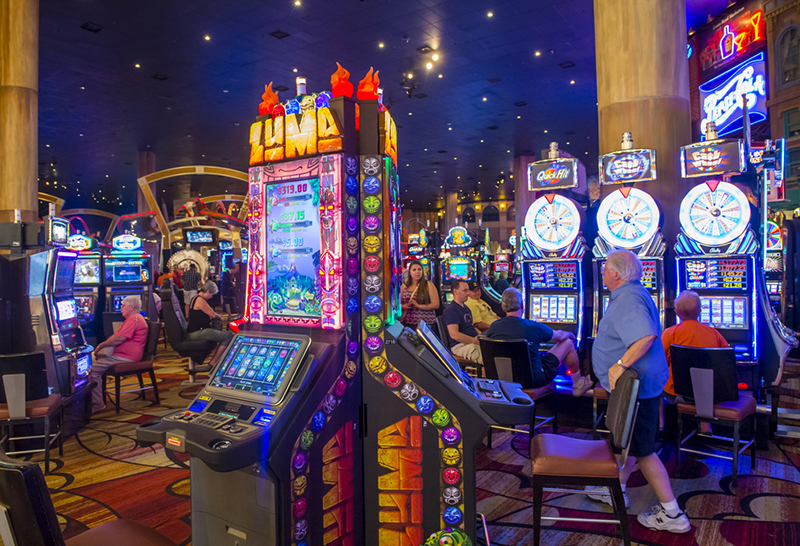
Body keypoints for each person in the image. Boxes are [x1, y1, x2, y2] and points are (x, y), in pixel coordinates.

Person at [590, 249, 690, 534]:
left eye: (605, 268)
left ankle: (672, 513)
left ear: (616, 273)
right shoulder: (631, 292)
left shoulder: (629, 298)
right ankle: (616, 489)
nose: (602, 272)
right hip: (639, 384)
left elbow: (646, 336)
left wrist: (619, 365)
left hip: (636, 386)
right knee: (630, 442)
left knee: (643, 450)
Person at [486, 288, 593, 396]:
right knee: (568, 342)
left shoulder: (494, 327)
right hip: (533, 380)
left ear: (502, 307)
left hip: (502, 379)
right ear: (522, 304)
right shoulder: (532, 326)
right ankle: (578, 385)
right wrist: (570, 334)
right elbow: (560, 337)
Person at [662, 290, 729, 434]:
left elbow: (660, 362)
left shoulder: (669, 333)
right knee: (703, 383)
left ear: (676, 313)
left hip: (679, 394)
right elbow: (727, 359)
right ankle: (705, 422)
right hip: (712, 395)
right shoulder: (713, 333)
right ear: (699, 311)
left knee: (654, 382)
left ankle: (661, 426)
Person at [90, 295, 149, 413]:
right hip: (121, 354)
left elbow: (119, 339)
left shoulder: (134, 319)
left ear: (131, 307)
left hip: (126, 356)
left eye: (123, 305)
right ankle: (88, 399)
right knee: (88, 360)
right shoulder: (133, 318)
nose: (120, 308)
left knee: (91, 371)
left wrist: (100, 346)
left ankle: (97, 404)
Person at [188, 281, 233, 367]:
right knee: (228, 336)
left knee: (224, 334)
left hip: (195, 331)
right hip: (198, 332)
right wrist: (220, 316)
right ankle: (214, 362)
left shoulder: (195, 298)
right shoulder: (200, 300)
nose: (211, 297)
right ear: (208, 291)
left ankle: (216, 360)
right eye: (211, 294)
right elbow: (213, 315)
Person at [443, 279, 482, 364]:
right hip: (460, 345)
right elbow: (454, 335)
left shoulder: (466, 308)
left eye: (468, 290)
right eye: (465, 290)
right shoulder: (451, 310)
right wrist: (475, 341)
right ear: (455, 291)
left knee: (494, 349)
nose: (468, 293)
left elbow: (472, 327)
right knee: (488, 356)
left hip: (471, 341)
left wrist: (483, 337)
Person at [401, 260, 439, 328]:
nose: (417, 272)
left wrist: (418, 306)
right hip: (408, 322)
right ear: (410, 272)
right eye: (414, 270)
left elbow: (436, 305)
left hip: (426, 324)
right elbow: (399, 304)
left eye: (419, 269)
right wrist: (404, 306)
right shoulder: (404, 286)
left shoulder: (428, 285)